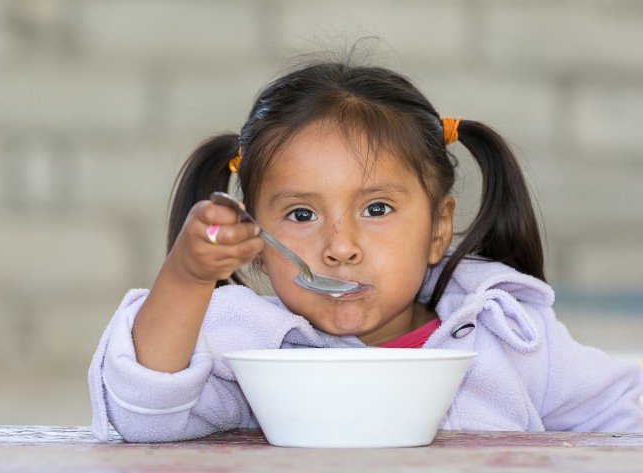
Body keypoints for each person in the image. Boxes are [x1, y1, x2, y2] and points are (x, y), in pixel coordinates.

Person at [88, 58, 643, 442]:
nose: (341, 247)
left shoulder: (506, 333)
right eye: (301, 216)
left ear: (438, 228)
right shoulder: (253, 350)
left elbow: (623, 411)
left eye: (376, 209)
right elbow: (147, 415)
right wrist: (188, 276)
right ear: (258, 246)